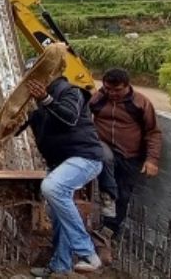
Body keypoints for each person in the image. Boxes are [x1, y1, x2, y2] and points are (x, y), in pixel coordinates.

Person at [19, 52, 105, 276]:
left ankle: (88, 253)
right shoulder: (38, 105)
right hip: (59, 162)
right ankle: (60, 266)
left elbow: (69, 118)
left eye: (36, 75)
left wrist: (46, 98)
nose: (32, 81)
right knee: (58, 213)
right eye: (30, 77)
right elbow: (21, 128)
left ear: (51, 74)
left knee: (52, 187)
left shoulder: (70, 91)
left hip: (83, 157)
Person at [90, 68, 162, 237]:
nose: (112, 93)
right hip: (103, 152)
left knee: (122, 193)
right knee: (102, 189)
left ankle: (109, 230)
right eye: (108, 89)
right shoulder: (98, 99)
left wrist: (152, 159)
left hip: (129, 156)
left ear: (127, 86)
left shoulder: (140, 103)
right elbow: (84, 119)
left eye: (117, 90)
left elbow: (153, 132)